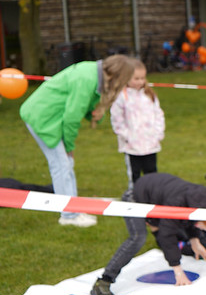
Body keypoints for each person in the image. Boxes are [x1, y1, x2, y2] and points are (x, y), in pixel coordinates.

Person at [19, 55, 137, 227]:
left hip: (50, 116)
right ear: (118, 75)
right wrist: (69, 146)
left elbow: (86, 103)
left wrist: (94, 115)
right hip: (42, 117)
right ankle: (68, 215)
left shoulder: (93, 72)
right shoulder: (86, 78)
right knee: (61, 165)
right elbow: (72, 118)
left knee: (66, 165)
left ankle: (74, 208)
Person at [91, 173, 206, 295]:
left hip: (157, 199)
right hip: (137, 198)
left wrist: (194, 240)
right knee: (138, 237)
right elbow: (167, 234)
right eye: (205, 227)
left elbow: (190, 219)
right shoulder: (178, 203)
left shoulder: (202, 200)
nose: (201, 228)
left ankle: (166, 245)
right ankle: (104, 281)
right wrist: (178, 271)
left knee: (167, 233)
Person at [110, 59, 165, 190]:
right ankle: (135, 196)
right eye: (136, 78)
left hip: (151, 144)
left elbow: (158, 114)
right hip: (132, 147)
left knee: (151, 172)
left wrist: (157, 134)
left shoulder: (150, 95)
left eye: (142, 78)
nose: (140, 81)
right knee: (135, 174)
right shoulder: (121, 97)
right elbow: (117, 119)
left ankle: (152, 196)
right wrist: (127, 136)